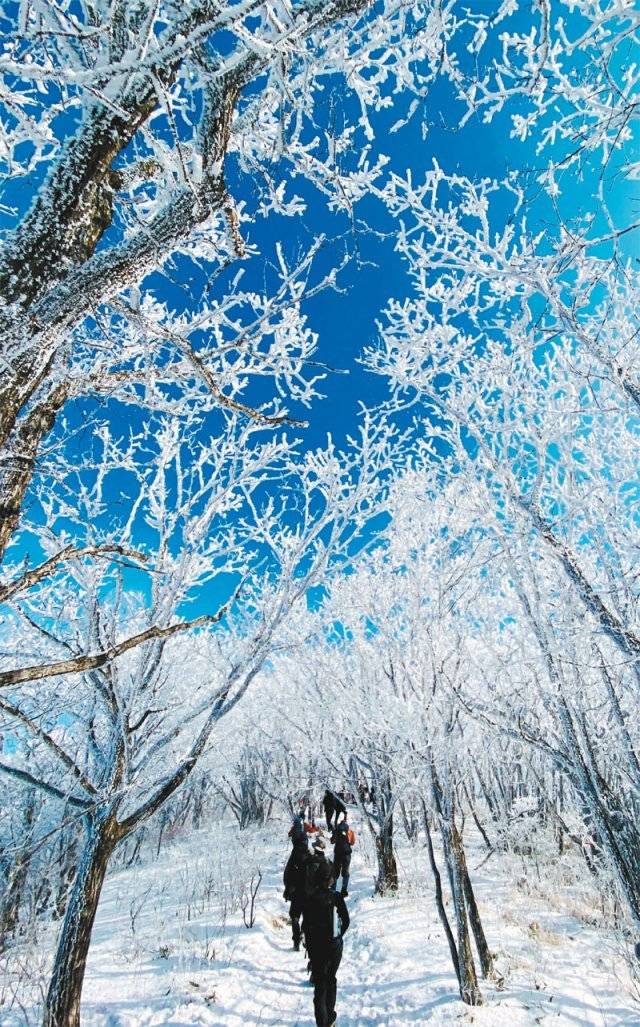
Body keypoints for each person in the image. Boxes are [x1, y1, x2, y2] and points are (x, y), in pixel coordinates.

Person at [302, 833, 350, 1027]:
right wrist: (338, 937)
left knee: (320, 985)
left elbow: (306, 926)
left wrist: (309, 943)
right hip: (334, 945)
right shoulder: (336, 897)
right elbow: (346, 921)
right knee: (331, 980)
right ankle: (330, 1017)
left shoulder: (310, 899)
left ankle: (322, 1022)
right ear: (329, 878)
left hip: (317, 946)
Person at [283, 821, 309, 951]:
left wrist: (287, 889)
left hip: (296, 892)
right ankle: (303, 933)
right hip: (308, 892)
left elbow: (287, 875)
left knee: (294, 916)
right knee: (306, 915)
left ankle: (296, 939)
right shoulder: (310, 857)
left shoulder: (293, 857)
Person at [331, 820, 353, 897]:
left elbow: (332, 841)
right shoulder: (350, 831)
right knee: (345, 872)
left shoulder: (336, 830)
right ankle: (343, 891)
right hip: (346, 854)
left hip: (337, 854)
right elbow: (352, 842)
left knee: (335, 872)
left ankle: (333, 890)